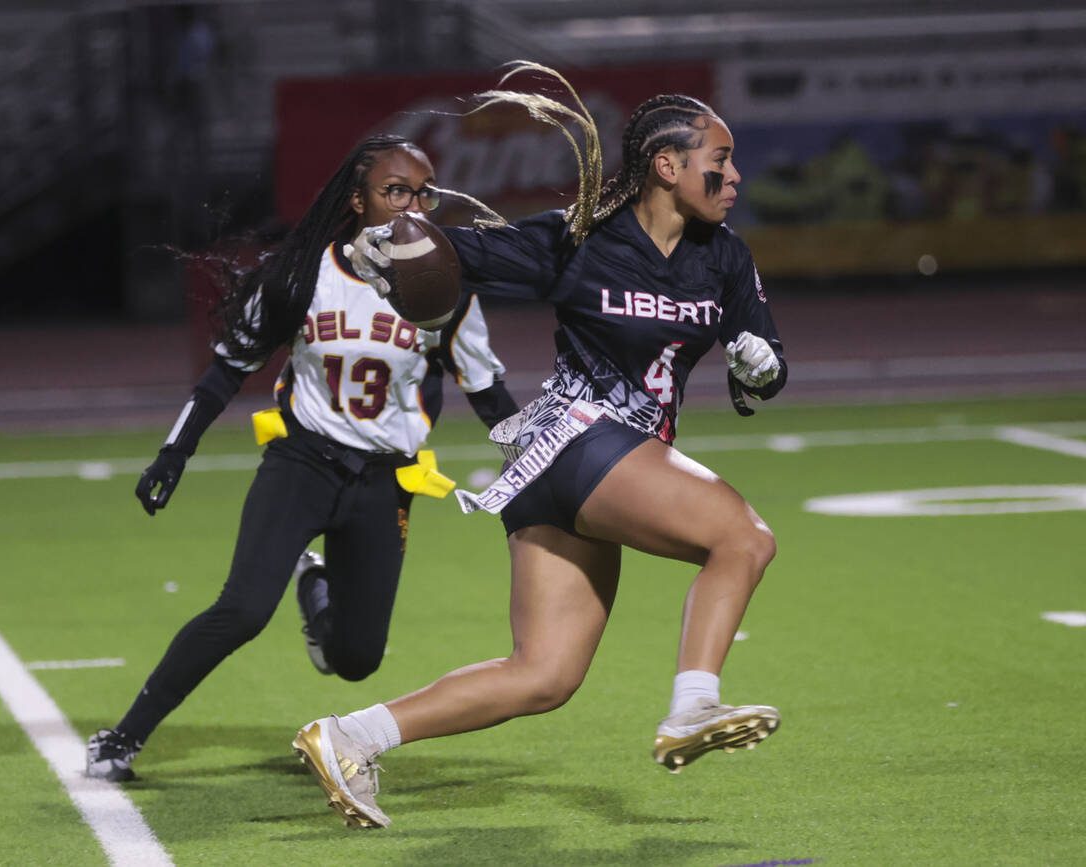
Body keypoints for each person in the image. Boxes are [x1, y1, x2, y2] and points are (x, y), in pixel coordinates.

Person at [291, 64, 788, 830]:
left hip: (568, 467)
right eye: (718, 163)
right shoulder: (581, 239)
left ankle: (350, 735)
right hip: (582, 439)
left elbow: (766, 360)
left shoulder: (723, 256)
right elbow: (462, 253)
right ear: (667, 165)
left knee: (544, 675)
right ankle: (694, 704)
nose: (734, 177)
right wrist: (381, 247)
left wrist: (762, 362)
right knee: (743, 538)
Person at [85, 133, 519, 781]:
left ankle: (314, 593)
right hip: (304, 462)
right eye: (395, 190)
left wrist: (537, 460)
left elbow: (487, 390)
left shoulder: (442, 285)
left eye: (424, 192)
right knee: (242, 609)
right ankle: (122, 737)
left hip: (384, 482)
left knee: (357, 659)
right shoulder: (303, 272)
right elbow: (227, 369)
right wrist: (175, 452)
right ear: (357, 198)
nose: (413, 205)